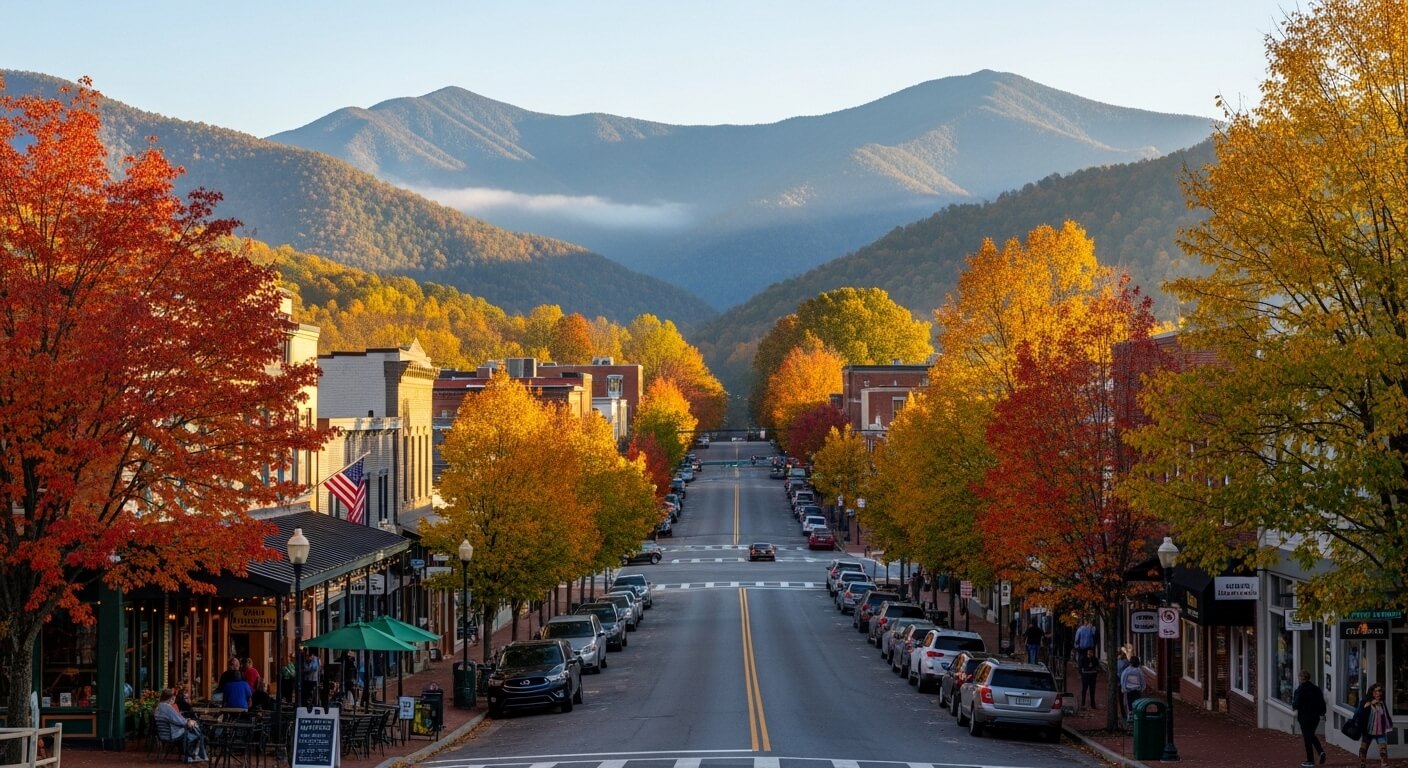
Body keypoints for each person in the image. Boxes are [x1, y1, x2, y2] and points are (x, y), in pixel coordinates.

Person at [154, 689, 208, 763]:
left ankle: (193, 755)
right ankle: (196, 756)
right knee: (195, 728)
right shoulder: (168, 708)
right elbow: (181, 722)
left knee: (194, 728)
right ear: (171, 698)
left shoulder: (158, 707)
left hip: (164, 734)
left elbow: (176, 719)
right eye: (174, 698)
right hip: (173, 734)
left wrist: (188, 721)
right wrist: (190, 722)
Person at [1353, 682, 1394, 768]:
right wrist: (1370, 703)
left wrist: (1388, 725)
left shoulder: (1382, 702)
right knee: (1363, 750)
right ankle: (1362, 763)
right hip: (1367, 730)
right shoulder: (1365, 701)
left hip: (1380, 730)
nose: (1378, 693)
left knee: (1383, 750)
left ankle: (1384, 764)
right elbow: (1359, 713)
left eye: (1379, 691)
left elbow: (1385, 715)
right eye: (1375, 691)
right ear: (1371, 692)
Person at [1292, 670, 1327, 766]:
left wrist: (1294, 705)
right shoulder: (1316, 689)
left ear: (1300, 678)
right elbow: (1322, 703)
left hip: (1304, 717)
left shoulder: (1300, 689)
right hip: (1315, 717)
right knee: (1311, 735)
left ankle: (1311, 760)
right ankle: (1320, 752)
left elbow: (1297, 704)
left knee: (1308, 737)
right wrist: (1322, 713)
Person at [1120, 655, 1145, 720]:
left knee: (1129, 705)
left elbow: (1123, 681)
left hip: (1129, 691)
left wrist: (1124, 689)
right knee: (1137, 704)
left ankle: (1130, 717)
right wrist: (1142, 689)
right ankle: (1136, 717)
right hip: (1137, 691)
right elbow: (1142, 681)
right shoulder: (1139, 671)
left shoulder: (1126, 671)